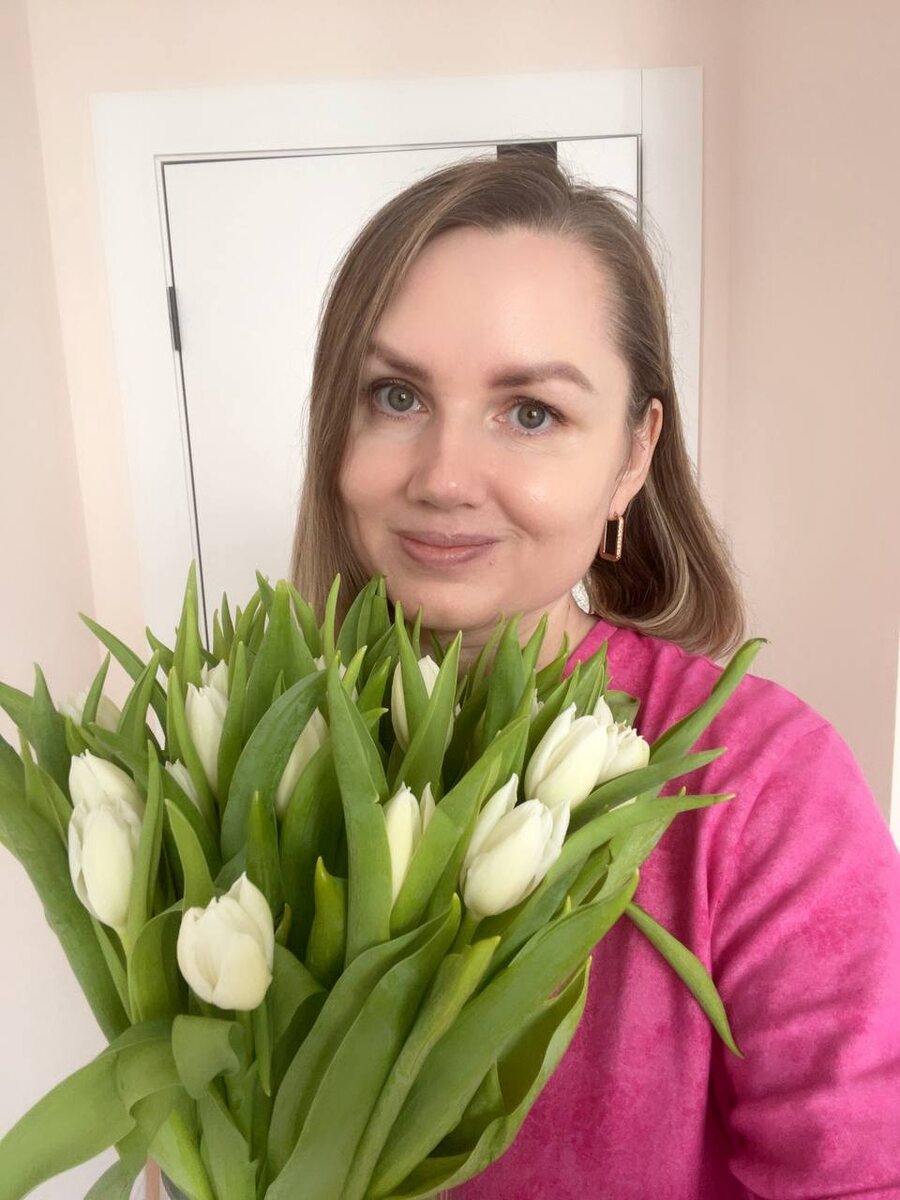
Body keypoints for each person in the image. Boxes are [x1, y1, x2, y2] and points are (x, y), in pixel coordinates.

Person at [289, 155, 900, 1198]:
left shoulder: (760, 787)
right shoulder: (263, 755)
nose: (443, 477)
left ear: (632, 456)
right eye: (396, 396)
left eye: (530, 411)